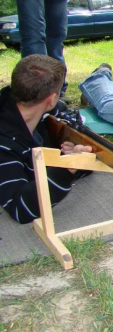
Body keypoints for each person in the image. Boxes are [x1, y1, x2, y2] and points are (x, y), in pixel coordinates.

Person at [0, 55, 92, 224]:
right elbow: (20, 208)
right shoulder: (5, 143)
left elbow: (89, 149)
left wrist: (76, 156)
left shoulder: (47, 115)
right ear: (50, 99)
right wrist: (66, 169)